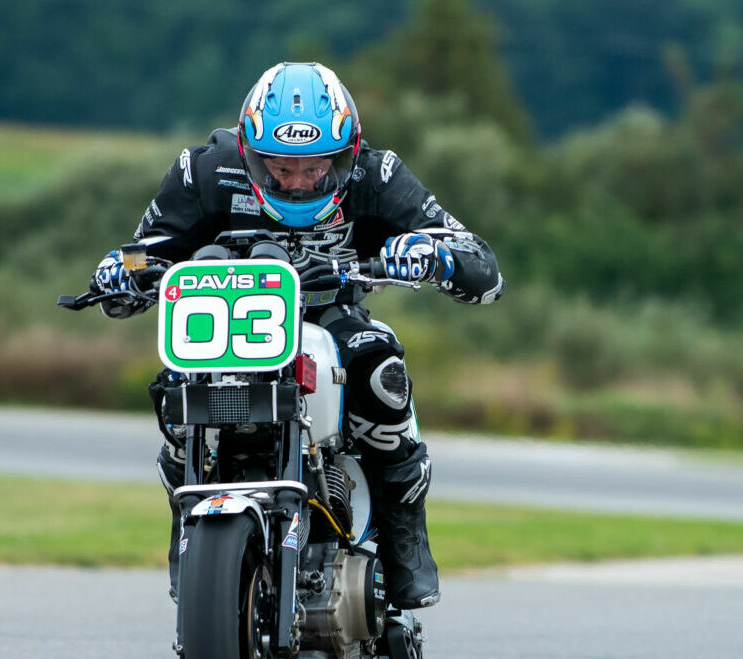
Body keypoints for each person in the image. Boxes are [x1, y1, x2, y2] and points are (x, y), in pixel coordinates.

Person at [89, 61, 504, 614]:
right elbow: (149, 249)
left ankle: (404, 540)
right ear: (248, 151)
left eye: (317, 168)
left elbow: (482, 266)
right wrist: (120, 268)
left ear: (347, 153)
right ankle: (186, 528)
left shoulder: (378, 176)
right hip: (225, 323)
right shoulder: (204, 169)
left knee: (382, 375)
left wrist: (431, 253)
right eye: (280, 167)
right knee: (173, 395)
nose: (299, 181)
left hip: (331, 316)